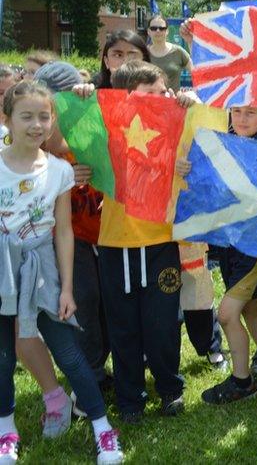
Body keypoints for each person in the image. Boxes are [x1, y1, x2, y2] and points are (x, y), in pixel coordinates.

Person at [0, 80, 124, 463]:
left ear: (53, 121)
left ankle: (103, 430)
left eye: (44, 117)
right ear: (7, 120)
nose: (36, 125)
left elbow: (65, 230)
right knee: (4, 355)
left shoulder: (58, 171)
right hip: (2, 265)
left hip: (43, 266)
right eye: (26, 117)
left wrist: (67, 287)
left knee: (68, 353)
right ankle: (7, 431)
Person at [69, 47, 190, 425]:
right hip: (115, 245)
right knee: (122, 324)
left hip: (160, 242)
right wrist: (83, 99)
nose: (162, 101)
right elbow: (75, 139)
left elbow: (201, 123)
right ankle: (130, 398)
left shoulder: (176, 117)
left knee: (163, 322)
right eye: (151, 94)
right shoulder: (107, 125)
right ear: (125, 97)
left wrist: (188, 100)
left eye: (165, 93)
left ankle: (170, 388)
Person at [197, 97, 257, 405]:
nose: (241, 118)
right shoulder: (222, 137)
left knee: (227, 314)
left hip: (256, 246)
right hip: (228, 244)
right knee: (250, 306)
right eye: (237, 111)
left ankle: (242, 381)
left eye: (250, 112)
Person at [146, 15, 192, 90]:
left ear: (167, 31)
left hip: (174, 100)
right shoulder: (143, 53)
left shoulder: (178, 52)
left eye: (162, 28)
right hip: (149, 101)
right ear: (148, 31)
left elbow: (196, 71)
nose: (158, 31)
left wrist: (190, 42)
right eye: (153, 28)